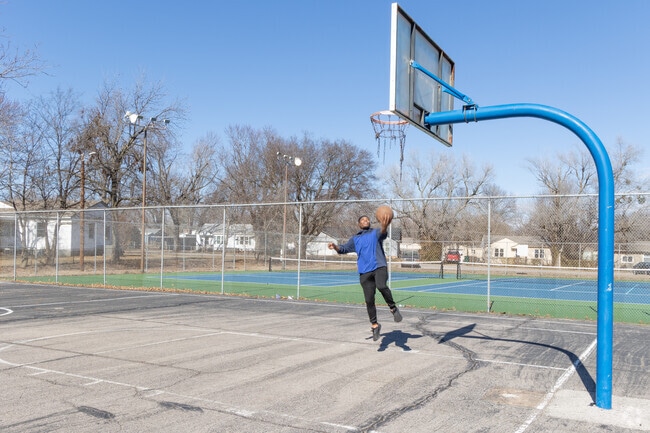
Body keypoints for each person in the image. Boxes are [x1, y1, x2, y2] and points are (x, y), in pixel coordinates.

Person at [328, 214, 402, 341]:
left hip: (379, 266)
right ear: (359, 224)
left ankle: (393, 308)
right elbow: (344, 249)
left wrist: (385, 223)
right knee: (369, 300)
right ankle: (375, 326)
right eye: (363, 220)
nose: (366, 221)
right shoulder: (355, 239)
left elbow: (383, 232)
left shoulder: (375, 233)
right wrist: (335, 247)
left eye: (367, 219)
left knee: (382, 286)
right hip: (364, 271)